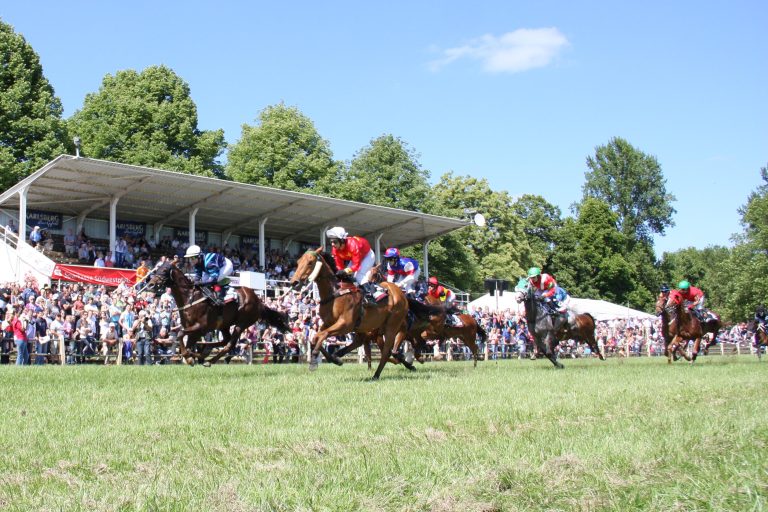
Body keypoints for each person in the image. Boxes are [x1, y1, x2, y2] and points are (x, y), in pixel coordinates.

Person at [325, 227, 379, 305]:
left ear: (342, 240)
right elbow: (339, 266)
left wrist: (344, 271)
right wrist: (341, 273)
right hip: (355, 257)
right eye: (331, 242)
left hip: (367, 256)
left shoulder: (353, 245)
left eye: (335, 241)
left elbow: (356, 266)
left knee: (359, 275)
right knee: (346, 274)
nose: (332, 244)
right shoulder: (335, 249)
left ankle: (370, 296)